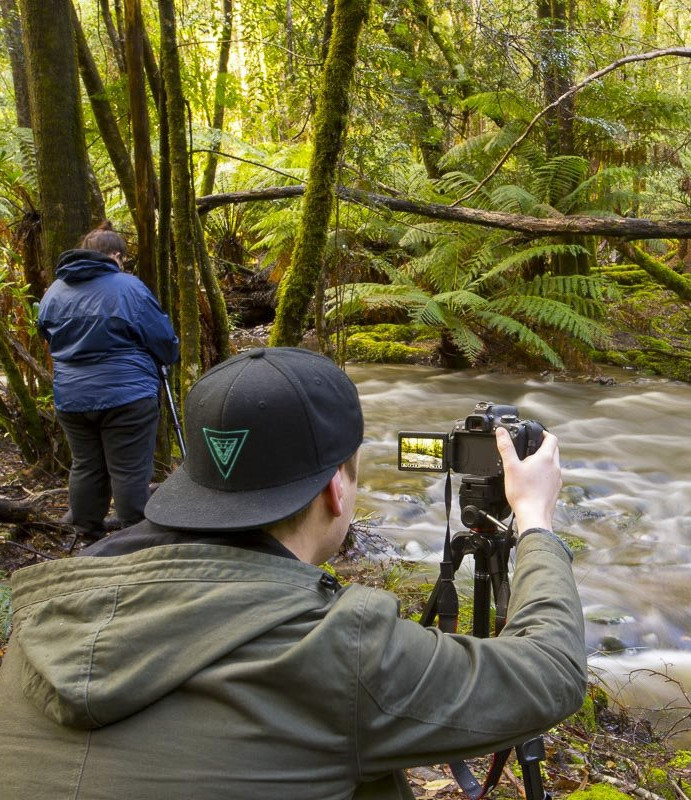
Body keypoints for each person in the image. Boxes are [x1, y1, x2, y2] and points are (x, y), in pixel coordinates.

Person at [0, 347, 586, 800]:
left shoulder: (45, 611)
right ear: (336, 488)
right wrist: (535, 521)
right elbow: (551, 674)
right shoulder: (338, 648)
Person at [36, 222, 180, 539]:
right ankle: (136, 536)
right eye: (124, 260)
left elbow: (46, 333)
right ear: (116, 255)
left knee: (87, 465)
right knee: (128, 470)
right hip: (127, 395)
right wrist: (168, 355)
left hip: (72, 397)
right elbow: (161, 338)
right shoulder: (128, 287)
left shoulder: (55, 291)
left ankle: (86, 534)